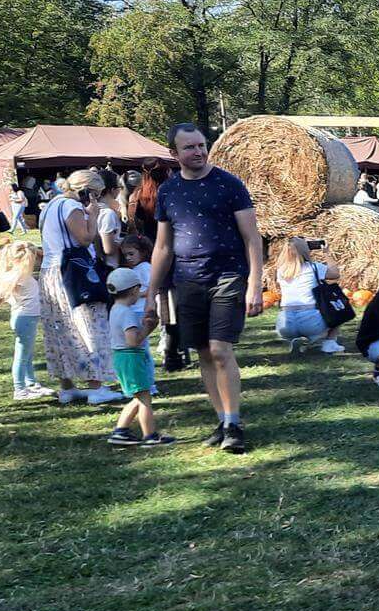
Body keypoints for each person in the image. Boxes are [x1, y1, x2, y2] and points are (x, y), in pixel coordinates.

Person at [147, 122, 264, 454]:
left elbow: (252, 238)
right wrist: (151, 293)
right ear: (174, 153)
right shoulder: (168, 191)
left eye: (201, 145)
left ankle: (234, 423)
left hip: (228, 275)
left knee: (219, 349)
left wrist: (255, 283)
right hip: (188, 280)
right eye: (189, 147)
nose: (197, 152)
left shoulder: (229, 184)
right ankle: (223, 419)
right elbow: (162, 247)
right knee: (202, 352)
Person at [39, 168, 120, 406]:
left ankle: (67, 386)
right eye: (94, 193)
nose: (95, 198)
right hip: (73, 272)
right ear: (85, 190)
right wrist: (92, 215)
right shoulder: (71, 207)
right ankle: (97, 386)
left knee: (60, 327)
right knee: (89, 325)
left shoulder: (51, 205)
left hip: (50, 271)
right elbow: (84, 239)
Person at [0, 241, 50, 401]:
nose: (35, 261)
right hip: (25, 319)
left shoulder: (12, 273)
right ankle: (20, 389)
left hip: (26, 318)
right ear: (24, 260)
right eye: (32, 258)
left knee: (27, 355)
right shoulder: (18, 275)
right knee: (22, 355)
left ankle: (31, 383)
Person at [104, 267, 172, 447]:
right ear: (134, 290)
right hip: (131, 358)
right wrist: (148, 328)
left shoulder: (115, 309)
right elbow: (133, 341)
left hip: (122, 358)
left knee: (138, 397)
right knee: (144, 399)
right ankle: (149, 435)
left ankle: (121, 431)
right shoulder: (127, 313)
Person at [270, 236, 346, 354]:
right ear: (305, 250)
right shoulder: (314, 267)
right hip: (310, 321)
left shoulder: (281, 271)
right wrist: (327, 253)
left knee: (299, 322)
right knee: (338, 308)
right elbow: (335, 274)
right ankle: (329, 343)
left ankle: (296, 339)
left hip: (285, 324)